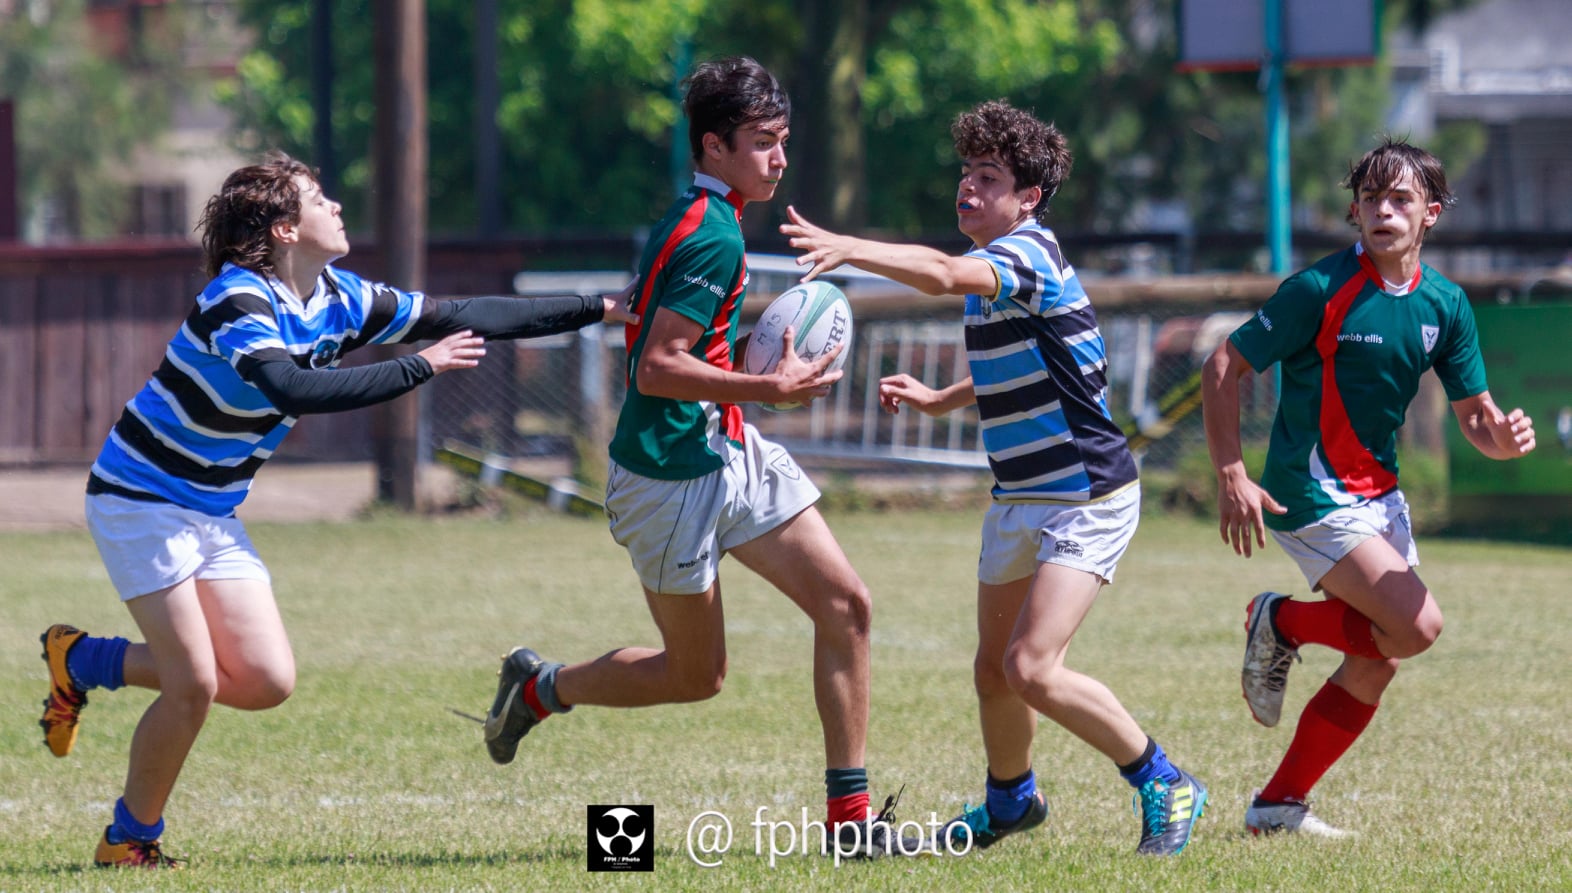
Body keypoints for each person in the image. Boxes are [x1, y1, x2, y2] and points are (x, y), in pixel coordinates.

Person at [38, 152, 637, 869]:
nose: (339, 208)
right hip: (142, 498)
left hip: (213, 507)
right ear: (286, 228)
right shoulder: (239, 300)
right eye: (320, 199)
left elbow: (462, 312)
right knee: (194, 681)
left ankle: (80, 658)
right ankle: (128, 839)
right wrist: (423, 364)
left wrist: (599, 306)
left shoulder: (337, 298)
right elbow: (294, 388)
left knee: (264, 681)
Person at [480, 56, 917, 859]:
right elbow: (654, 365)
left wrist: (748, 395)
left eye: (783, 141)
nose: (778, 159)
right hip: (667, 476)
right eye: (761, 143)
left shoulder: (708, 222)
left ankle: (850, 827)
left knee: (847, 606)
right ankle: (542, 687)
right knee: (695, 675)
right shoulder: (708, 236)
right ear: (713, 148)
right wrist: (763, 384)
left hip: (726, 450)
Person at [779, 99, 1207, 857]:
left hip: (1086, 495)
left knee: (1031, 665)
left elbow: (941, 272)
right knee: (992, 673)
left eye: (989, 176)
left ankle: (1164, 778)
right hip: (1019, 495)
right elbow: (1040, 364)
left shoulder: (1026, 256)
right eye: (966, 173)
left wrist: (849, 245)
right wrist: (944, 397)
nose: (968, 188)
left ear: (1029, 197)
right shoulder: (999, 274)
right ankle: (1011, 802)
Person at [1200, 137, 1537, 837]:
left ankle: (1277, 805)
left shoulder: (1446, 304)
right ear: (1354, 211)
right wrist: (1233, 470)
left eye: (1401, 198)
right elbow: (1223, 365)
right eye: (1371, 199)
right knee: (1416, 626)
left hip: (1379, 496)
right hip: (1310, 490)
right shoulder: (1319, 290)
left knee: (1375, 660)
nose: (1384, 210)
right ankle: (1281, 620)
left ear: (1431, 213)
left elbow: (1475, 412)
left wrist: (1498, 440)